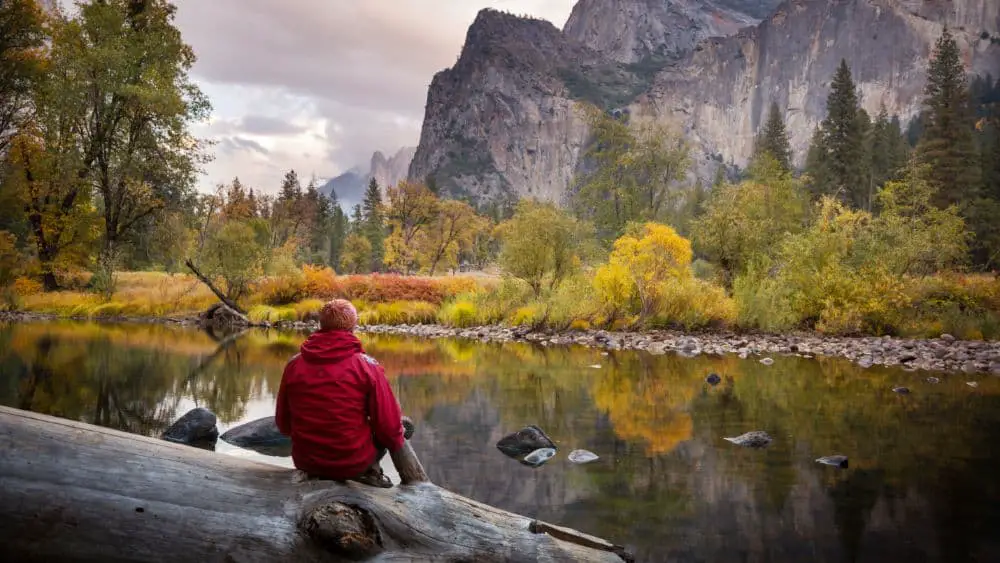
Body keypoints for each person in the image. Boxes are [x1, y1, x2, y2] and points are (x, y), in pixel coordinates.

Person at [275, 298, 413, 488]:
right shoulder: (366, 366)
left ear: (321, 324)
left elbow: (283, 424)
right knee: (390, 425)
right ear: (353, 327)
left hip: (307, 462)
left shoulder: (294, 364)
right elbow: (389, 428)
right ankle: (370, 473)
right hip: (353, 464)